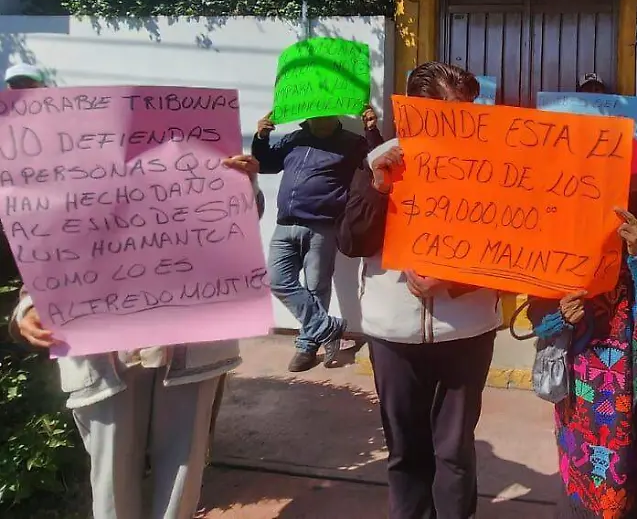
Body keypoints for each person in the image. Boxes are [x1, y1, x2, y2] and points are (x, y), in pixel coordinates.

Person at [11, 155, 265, 519]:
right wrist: (30, 305)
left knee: (183, 465)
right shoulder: (66, 153)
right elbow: (46, 233)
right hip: (101, 347)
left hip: (189, 340)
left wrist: (238, 185)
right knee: (112, 473)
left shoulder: (194, 152)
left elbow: (230, 229)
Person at [335, 61, 501, 519]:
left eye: (465, 112)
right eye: (447, 113)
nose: (458, 123)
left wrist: (454, 277)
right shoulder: (380, 160)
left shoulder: (491, 167)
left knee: (453, 452)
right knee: (406, 453)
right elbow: (351, 242)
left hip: (467, 331)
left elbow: (507, 248)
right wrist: (377, 188)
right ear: (412, 111)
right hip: (393, 334)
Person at [528, 141, 637, 519]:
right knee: (589, 488)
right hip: (585, 392)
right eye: (635, 183)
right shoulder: (569, 229)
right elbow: (538, 312)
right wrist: (562, 315)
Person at [252, 107, 382, 372]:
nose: (319, 118)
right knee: (277, 281)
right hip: (285, 224)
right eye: (315, 113)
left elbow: (377, 164)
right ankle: (327, 327)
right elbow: (266, 164)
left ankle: (306, 348)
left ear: (335, 113)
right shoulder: (294, 139)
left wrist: (370, 129)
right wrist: (261, 137)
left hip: (322, 226)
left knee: (316, 288)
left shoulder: (351, 143)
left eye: (325, 113)